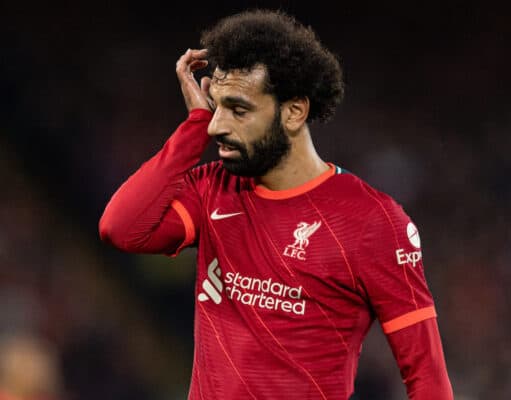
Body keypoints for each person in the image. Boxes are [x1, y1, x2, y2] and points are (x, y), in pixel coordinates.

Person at [99, 9, 453, 400]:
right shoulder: (214, 189)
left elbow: (426, 376)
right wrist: (194, 124)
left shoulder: (373, 221)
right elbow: (121, 227)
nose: (218, 125)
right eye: (216, 106)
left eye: (239, 109)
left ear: (294, 111)